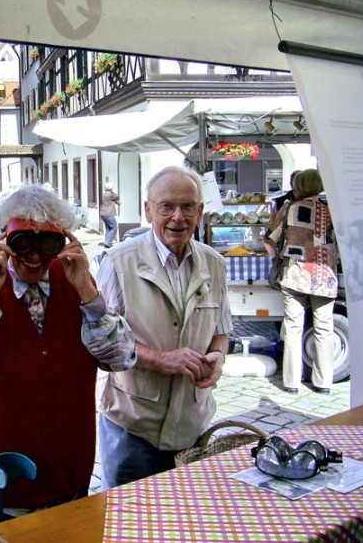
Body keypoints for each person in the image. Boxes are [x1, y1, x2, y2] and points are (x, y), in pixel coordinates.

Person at [0, 185, 135, 533]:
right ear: (3, 239)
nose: (35, 256)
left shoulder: (76, 284)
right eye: (23, 242)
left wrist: (88, 294)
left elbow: (123, 358)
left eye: (48, 244)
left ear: (65, 242)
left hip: (67, 473)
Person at [95, 166, 232, 489]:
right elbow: (100, 343)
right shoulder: (118, 262)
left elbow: (222, 331)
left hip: (191, 424)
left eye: (187, 207)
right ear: (148, 210)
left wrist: (218, 358)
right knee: (126, 528)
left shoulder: (215, 263)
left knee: (182, 525)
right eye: (166, 206)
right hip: (132, 426)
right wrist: (160, 359)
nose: (177, 217)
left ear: (200, 211)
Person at [268, 169, 338, 394]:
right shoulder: (331, 211)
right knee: (324, 329)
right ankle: (323, 382)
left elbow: (271, 238)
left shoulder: (290, 209)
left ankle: (291, 382)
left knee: (293, 328)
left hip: (296, 273)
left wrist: (277, 257)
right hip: (324, 274)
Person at [99, 182, 120, 248]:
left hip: (103, 213)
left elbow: (114, 200)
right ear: (110, 188)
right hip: (109, 213)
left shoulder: (104, 194)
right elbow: (117, 196)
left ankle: (106, 241)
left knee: (108, 228)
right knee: (114, 227)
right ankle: (108, 242)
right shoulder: (111, 194)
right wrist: (112, 191)